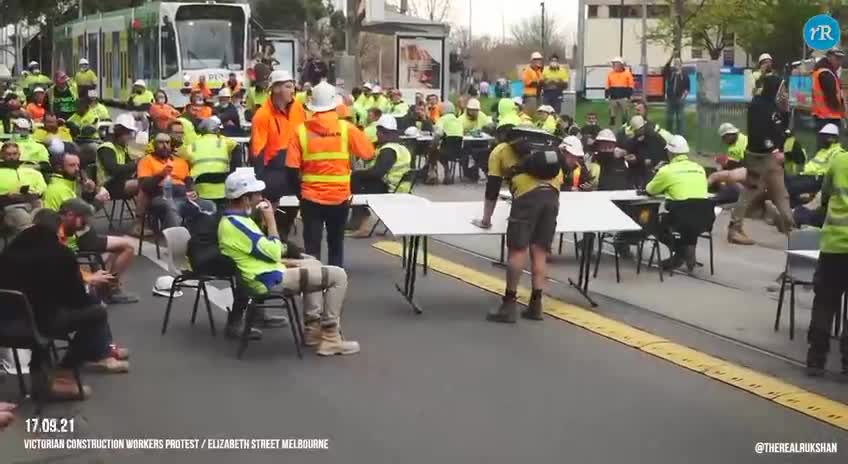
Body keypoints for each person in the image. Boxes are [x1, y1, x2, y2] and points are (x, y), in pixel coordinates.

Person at [218, 170, 359, 355]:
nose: (261, 198)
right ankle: (331, 336)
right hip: (267, 280)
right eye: (257, 195)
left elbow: (260, 254)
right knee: (339, 276)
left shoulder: (236, 221)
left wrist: (293, 260)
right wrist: (271, 221)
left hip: (265, 273)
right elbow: (274, 250)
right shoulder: (236, 225)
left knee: (313, 263)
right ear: (245, 199)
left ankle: (312, 330)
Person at [0, 208, 130, 401]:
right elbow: (78, 299)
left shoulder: (6, 255)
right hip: (41, 325)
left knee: (40, 316)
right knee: (96, 312)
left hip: (6, 326)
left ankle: (45, 378)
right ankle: (64, 371)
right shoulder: (61, 254)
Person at [472, 126, 562, 322]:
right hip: (552, 195)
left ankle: (509, 305)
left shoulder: (500, 150)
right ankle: (536, 305)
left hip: (527, 198)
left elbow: (492, 187)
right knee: (539, 250)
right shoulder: (546, 148)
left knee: (518, 250)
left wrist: (486, 219)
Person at [287, 81, 375, 267]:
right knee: (336, 244)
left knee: (312, 248)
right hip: (339, 196)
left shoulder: (300, 131)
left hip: (310, 198)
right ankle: (335, 285)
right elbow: (368, 153)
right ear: (335, 104)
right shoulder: (346, 129)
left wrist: (300, 194)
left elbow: (291, 169)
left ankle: (313, 289)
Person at [728, 72, 793, 245]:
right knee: (760, 192)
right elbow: (758, 132)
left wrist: (786, 111)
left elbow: (781, 129)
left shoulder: (773, 105)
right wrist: (772, 149)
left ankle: (791, 231)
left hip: (769, 158)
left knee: (778, 194)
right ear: (775, 89)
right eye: (782, 89)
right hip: (761, 157)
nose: (785, 92)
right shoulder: (759, 105)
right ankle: (791, 231)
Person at [805, 146, 848, 381]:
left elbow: (826, 194)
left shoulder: (838, 161)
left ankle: (816, 361)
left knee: (824, 304)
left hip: (833, 246)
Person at [250, 70, 307, 238]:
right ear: (275, 89)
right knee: (272, 214)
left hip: (295, 166)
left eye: (292, 86)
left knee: (290, 213)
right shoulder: (262, 116)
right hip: (274, 170)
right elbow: (257, 151)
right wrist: (259, 182)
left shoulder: (298, 108)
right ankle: (269, 237)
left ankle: (281, 237)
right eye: (288, 86)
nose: (293, 90)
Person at [645, 135, 711, 271]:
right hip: (705, 219)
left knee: (652, 223)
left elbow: (650, 190)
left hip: (682, 218)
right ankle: (683, 255)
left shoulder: (667, 170)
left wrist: (657, 173)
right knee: (687, 219)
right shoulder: (699, 168)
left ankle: (682, 252)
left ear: (670, 152)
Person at [348, 115, 412, 237]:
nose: (377, 135)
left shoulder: (388, 150)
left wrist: (357, 173)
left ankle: (362, 221)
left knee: (355, 179)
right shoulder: (401, 148)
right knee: (359, 179)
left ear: (383, 132)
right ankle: (359, 219)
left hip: (390, 188)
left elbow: (377, 172)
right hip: (402, 187)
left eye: (378, 132)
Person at [138, 132, 215, 229]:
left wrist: (192, 191)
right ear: (154, 145)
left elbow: (188, 180)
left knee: (209, 205)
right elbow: (144, 186)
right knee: (172, 207)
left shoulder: (180, 161)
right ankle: (176, 239)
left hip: (184, 197)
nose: (165, 146)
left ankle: (203, 239)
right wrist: (161, 175)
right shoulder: (147, 161)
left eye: (167, 143)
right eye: (160, 143)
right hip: (161, 197)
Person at [184, 116, 242, 203]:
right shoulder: (222, 141)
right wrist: (234, 171)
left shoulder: (193, 144)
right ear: (216, 130)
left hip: (200, 188)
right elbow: (237, 147)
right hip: (222, 188)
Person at [785, 124, 842, 209]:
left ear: (833, 138)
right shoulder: (823, 150)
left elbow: (831, 172)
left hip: (817, 179)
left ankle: (793, 208)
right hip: (806, 175)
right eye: (821, 136)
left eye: (825, 136)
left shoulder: (837, 152)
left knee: (790, 186)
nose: (821, 139)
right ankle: (794, 205)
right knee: (785, 181)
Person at [0, 141, 46, 233]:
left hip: (34, 203)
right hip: (11, 206)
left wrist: (35, 193)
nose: (12, 157)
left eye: (14, 154)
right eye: (8, 154)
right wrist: (8, 196)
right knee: (26, 224)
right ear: (2, 155)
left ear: (19, 154)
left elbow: (42, 188)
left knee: (46, 220)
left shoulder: (31, 171)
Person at [96, 114, 139, 205]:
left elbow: (129, 165)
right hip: (107, 186)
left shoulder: (121, 147)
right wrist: (135, 164)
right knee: (144, 186)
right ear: (120, 132)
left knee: (151, 181)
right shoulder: (106, 148)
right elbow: (113, 170)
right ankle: (141, 215)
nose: (131, 137)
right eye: (129, 133)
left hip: (120, 181)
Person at [623, 115, 672, 189]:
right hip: (638, 170)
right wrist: (630, 157)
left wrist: (640, 159)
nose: (639, 131)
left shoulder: (654, 137)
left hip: (654, 168)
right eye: (636, 130)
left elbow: (658, 155)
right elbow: (630, 150)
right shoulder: (634, 139)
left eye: (640, 129)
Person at [427, 101, 464, 184]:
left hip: (444, 151)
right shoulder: (458, 121)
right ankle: (447, 172)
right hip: (458, 152)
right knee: (444, 152)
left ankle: (432, 172)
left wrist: (433, 144)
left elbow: (438, 133)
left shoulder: (442, 120)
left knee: (433, 151)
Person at [811, 47, 845, 134]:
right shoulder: (826, 73)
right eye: (837, 58)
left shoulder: (822, 71)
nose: (839, 62)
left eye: (841, 59)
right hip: (829, 116)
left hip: (822, 115)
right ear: (829, 57)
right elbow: (832, 95)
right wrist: (842, 110)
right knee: (831, 144)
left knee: (823, 144)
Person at [662, 57, 690, 135]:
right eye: (675, 62)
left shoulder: (684, 75)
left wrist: (683, 97)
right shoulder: (671, 73)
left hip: (679, 99)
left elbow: (687, 88)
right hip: (670, 99)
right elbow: (665, 68)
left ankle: (680, 135)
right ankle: (668, 134)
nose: (676, 64)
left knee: (680, 119)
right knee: (669, 118)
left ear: (681, 64)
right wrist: (671, 57)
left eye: (678, 62)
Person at [606, 57, 634, 126]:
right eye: (613, 64)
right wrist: (607, 95)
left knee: (625, 111)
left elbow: (631, 85)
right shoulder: (610, 74)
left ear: (621, 65)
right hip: (613, 96)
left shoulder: (627, 74)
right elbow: (608, 85)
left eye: (615, 64)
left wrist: (629, 95)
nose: (614, 66)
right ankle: (612, 121)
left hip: (624, 96)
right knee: (612, 110)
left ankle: (624, 122)